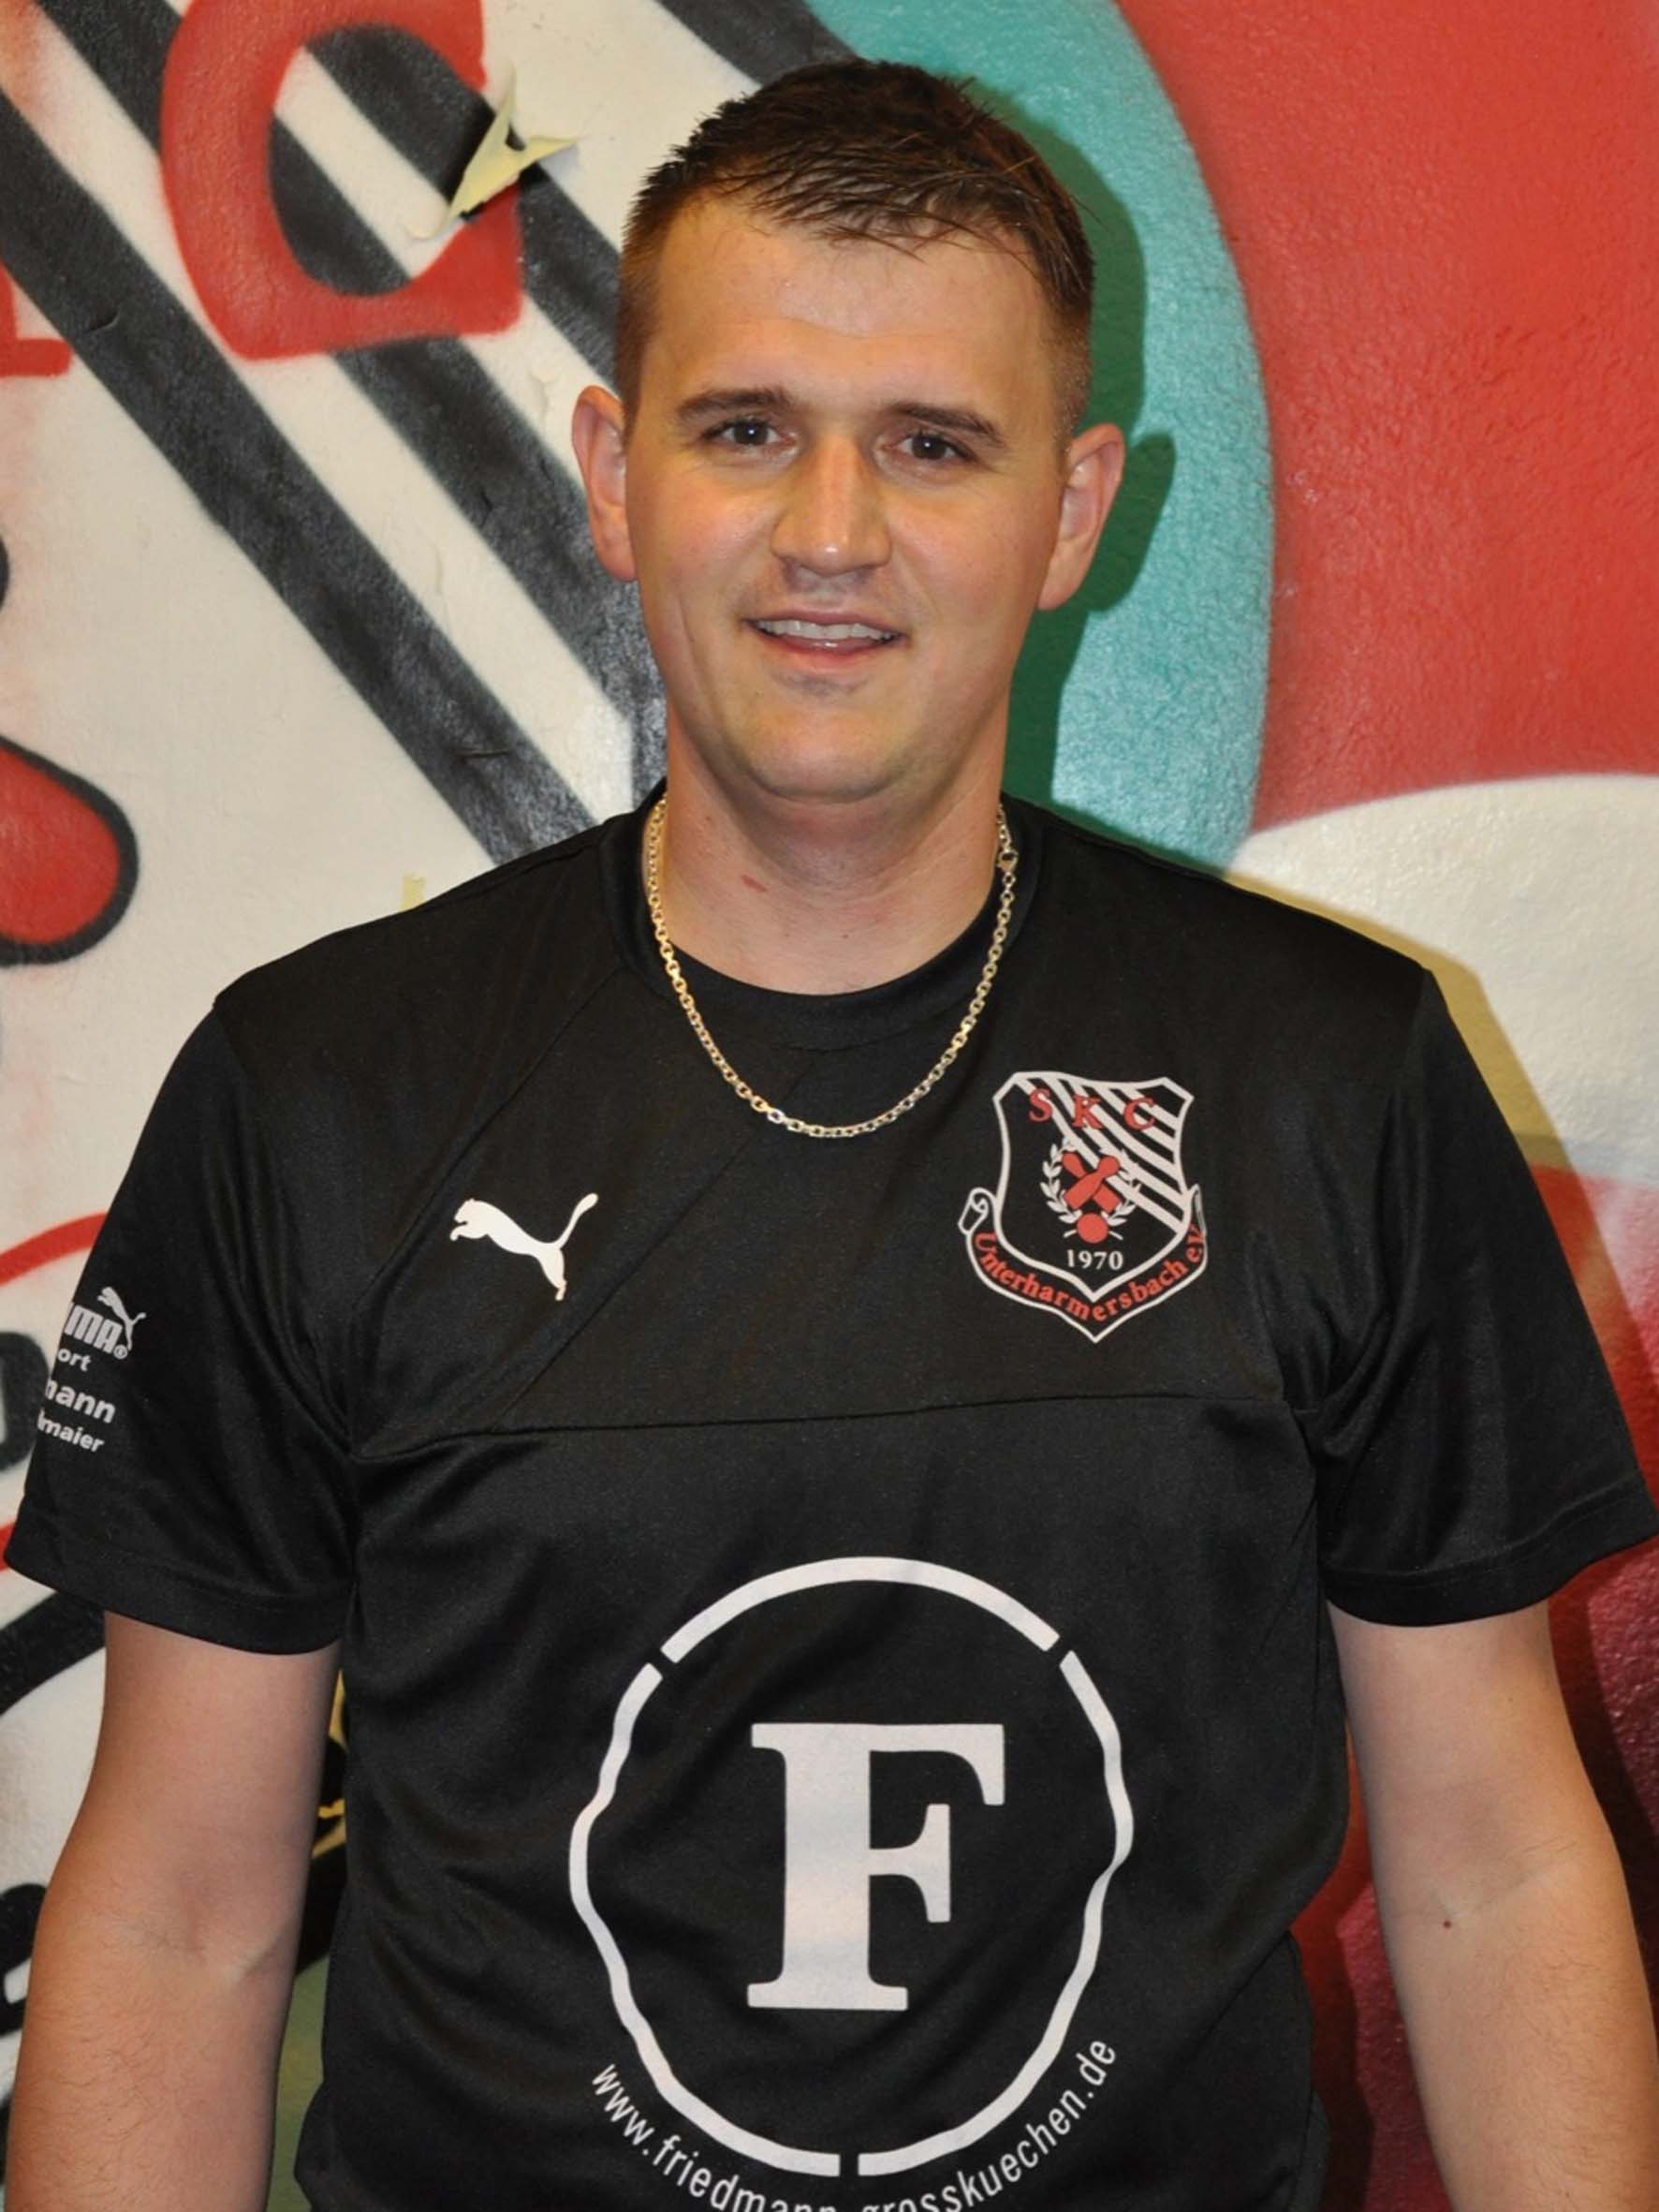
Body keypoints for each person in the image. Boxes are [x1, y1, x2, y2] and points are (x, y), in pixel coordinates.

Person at [8, 58, 1658, 2212]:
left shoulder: (1327, 1077)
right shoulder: (316, 1092)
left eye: (932, 443)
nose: (830, 533)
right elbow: (175, 1915)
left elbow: (1492, 1865)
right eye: (747, 429)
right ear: (612, 476)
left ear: (1072, 512)